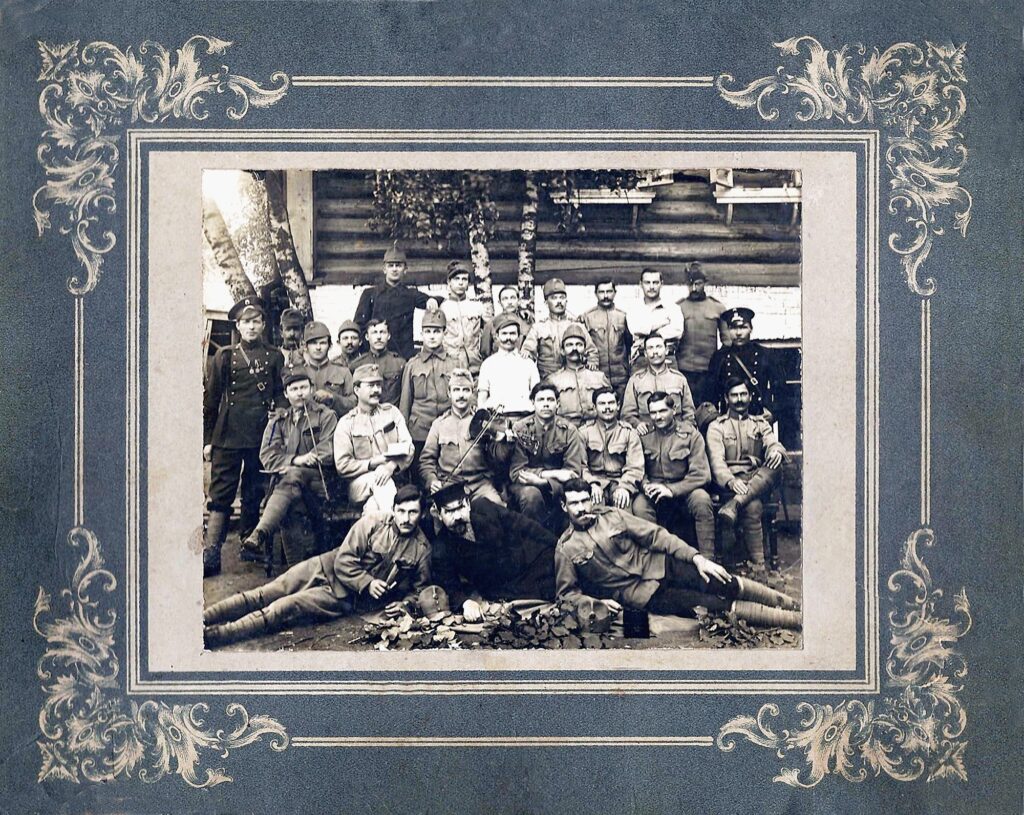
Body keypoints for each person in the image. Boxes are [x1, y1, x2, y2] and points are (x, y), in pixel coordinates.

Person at [203, 485, 433, 647]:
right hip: (324, 565)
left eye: (413, 512)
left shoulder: (422, 549)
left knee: (282, 607)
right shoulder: (373, 523)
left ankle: (216, 636)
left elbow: (420, 590)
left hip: (343, 596)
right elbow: (344, 559)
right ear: (394, 509)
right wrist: (368, 582)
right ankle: (204, 617)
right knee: (266, 593)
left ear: (421, 513)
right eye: (401, 511)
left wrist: (404, 604)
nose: (406, 518)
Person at [554, 478, 800, 628]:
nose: (581, 508)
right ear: (564, 507)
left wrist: (697, 558)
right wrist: (596, 603)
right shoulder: (566, 548)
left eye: (585, 501)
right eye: (574, 503)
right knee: (715, 606)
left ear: (591, 500)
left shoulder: (613, 516)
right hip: (643, 595)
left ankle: (793, 605)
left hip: (661, 565)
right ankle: (795, 621)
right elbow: (566, 595)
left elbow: (657, 535)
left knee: (723, 581)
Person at [202, 296, 286, 577]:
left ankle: (248, 545)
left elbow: (280, 394)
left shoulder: (274, 357)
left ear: (263, 325)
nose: (251, 326)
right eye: (246, 322)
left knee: (253, 490)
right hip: (227, 435)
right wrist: (208, 440)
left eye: (256, 321)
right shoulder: (224, 356)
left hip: (260, 436)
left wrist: (280, 412)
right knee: (221, 493)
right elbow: (211, 401)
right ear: (238, 325)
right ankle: (211, 552)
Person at [237, 369, 339, 564]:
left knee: (291, 480)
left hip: (319, 484)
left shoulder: (326, 416)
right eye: (294, 389)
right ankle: (296, 568)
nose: (300, 393)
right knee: (291, 501)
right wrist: (296, 460)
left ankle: (261, 532)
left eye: (304, 388)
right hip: (290, 487)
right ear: (286, 394)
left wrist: (305, 460)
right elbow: (267, 455)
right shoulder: (279, 421)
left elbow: (329, 449)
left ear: (311, 389)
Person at [430, 482, 558, 619]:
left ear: (468, 505)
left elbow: (526, 526)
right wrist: (466, 603)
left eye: (460, 507)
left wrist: (559, 545)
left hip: (527, 563)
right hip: (504, 588)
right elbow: (450, 586)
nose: (457, 517)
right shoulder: (441, 548)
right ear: (439, 514)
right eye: (449, 511)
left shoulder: (485, 508)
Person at [706, 377, 787, 569]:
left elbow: (772, 442)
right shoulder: (717, 426)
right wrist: (731, 481)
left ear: (750, 397)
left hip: (756, 478)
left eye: (743, 394)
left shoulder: (760, 424)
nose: (739, 399)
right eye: (734, 395)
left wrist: (775, 451)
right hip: (731, 482)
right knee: (753, 505)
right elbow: (716, 462)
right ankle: (759, 565)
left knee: (777, 464)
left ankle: (735, 504)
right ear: (726, 398)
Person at [633, 391, 716, 558]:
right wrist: (645, 485)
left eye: (662, 411)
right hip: (654, 490)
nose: (658, 417)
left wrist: (672, 490)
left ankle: (708, 559)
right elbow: (636, 468)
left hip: (685, 490)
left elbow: (701, 474)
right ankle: (654, 562)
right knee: (639, 506)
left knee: (702, 500)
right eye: (653, 413)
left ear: (674, 409)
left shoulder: (690, 434)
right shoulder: (643, 436)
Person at [333, 364, 415, 513]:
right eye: (371, 386)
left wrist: (391, 467)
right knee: (380, 482)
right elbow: (343, 465)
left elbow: (408, 447)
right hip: (359, 484)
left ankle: (385, 524)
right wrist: (373, 463)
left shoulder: (392, 413)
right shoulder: (346, 423)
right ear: (356, 390)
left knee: (373, 507)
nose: (376, 390)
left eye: (378, 385)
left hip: (394, 479)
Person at [420, 369, 504, 504]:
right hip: (450, 485)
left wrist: (504, 440)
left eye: (466, 390)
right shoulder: (439, 424)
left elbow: (497, 456)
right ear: (449, 393)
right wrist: (432, 480)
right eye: (456, 390)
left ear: (472, 393)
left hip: (480, 484)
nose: (461, 395)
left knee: (497, 506)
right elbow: (426, 460)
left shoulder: (484, 422)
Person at [508, 381, 586, 525]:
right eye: (541, 400)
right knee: (531, 495)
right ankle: (534, 538)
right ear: (533, 403)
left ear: (558, 404)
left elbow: (573, 473)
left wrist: (543, 482)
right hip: (525, 485)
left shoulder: (569, 431)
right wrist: (552, 474)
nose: (546, 404)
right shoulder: (520, 429)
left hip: (558, 487)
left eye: (550, 400)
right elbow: (517, 472)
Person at [354, 243, 441, 359]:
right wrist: (367, 352)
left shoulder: (411, 294)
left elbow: (437, 300)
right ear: (384, 269)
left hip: (403, 356)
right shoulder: (370, 294)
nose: (394, 269)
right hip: (376, 356)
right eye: (391, 265)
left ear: (405, 269)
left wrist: (431, 300)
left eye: (398, 265)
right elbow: (359, 326)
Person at [399, 308, 460, 459]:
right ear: (421, 334)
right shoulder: (412, 365)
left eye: (436, 331)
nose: (432, 336)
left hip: (448, 430)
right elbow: (405, 403)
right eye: (428, 331)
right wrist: (403, 436)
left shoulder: (455, 363)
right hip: (419, 432)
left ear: (445, 333)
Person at [578, 386, 644, 512]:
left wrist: (624, 487)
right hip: (595, 483)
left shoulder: (629, 432)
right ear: (594, 407)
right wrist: (591, 484)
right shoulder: (584, 432)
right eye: (602, 404)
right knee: (594, 511)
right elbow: (580, 466)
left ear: (618, 406)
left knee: (624, 510)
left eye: (611, 403)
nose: (607, 407)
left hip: (620, 482)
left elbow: (635, 467)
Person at [707, 307, 781, 418]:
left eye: (743, 327)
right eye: (733, 328)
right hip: (729, 420)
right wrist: (715, 418)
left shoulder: (765, 355)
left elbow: (781, 390)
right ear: (728, 330)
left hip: (758, 418)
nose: (738, 333)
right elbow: (710, 395)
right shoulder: (719, 357)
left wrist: (772, 412)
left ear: (751, 328)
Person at [521, 277, 599, 379]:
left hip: (573, 378)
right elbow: (527, 352)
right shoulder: (538, 328)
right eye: (554, 298)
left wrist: (592, 364)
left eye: (562, 297)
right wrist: (527, 354)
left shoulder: (577, 325)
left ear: (566, 301)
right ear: (546, 303)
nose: (559, 301)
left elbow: (592, 352)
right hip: (547, 379)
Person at [675, 263, 728, 405]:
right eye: (690, 284)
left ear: (705, 283)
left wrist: (719, 367)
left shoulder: (717, 307)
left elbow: (727, 341)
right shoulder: (678, 307)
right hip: (684, 370)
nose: (694, 289)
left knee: (709, 410)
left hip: (709, 371)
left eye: (698, 284)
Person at [622, 333, 697, 432]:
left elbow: (689, 414)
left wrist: (684, 428)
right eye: (650, 348)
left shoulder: (679, 379)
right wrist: (637, 424)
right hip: (647, 434)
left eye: (658, 347)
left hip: (675, 434)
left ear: (666, 350)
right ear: (645, 353)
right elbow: (627, 415)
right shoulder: (635, 381)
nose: (655, 352)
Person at [547, 323, 611, 426]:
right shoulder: (553, 380)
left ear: (585, 349)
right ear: (562, 351)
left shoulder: (599, 378)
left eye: (579, 344)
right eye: (569, 345)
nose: (574, 349)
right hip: (566, 430)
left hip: (595, 429)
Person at [477, 313, 540, 417]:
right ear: (497, 336)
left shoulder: (528, 363)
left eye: (512, 333)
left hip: (524, 418)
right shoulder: (488, 364)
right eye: (504, 334)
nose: (508, 338)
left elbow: (537, 395)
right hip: (497, 419)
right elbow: (482, 398)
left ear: (518, 336)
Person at [580, 279, 631, 400]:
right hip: (597, 376)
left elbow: (629, 344)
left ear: (615, 293)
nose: (605, 296)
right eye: (601, 292)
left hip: (621, 376)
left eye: (609, 291)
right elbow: (583, 345)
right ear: (595, 294)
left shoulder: (623, 316)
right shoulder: (587, 317)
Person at [625, 267, 686, 367]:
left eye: (655, 282)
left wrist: (647, 333)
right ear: (640, 284)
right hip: (641, 358)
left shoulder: (673, 307)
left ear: (661, 284)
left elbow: (678, 331)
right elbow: (635, 329)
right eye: (647, 283)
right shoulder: (633, 308)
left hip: (667, 358)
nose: (651, 287)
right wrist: (662, 323)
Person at [439, 260, 491, 373]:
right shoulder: (442, 308)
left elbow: (490, 331)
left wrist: (483, 353)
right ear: (449, 282)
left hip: (476, 364)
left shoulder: (477, 306)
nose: (461, 283)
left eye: (464, 279)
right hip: (451, 365)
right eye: (456, 279)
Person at [301, 321, 356, 417]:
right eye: (314, 343)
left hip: (336, 422)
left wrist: (332, 397)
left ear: (330, 346)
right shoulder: (300, 372)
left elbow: (354, 403)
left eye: (323, 343)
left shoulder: (343, 372)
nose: (318, 347)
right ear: (305, 347)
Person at [351, 319, 406, 408]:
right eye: (374, 332)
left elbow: (405, 397)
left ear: (388, 336)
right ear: (367, 337)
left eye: (382, 332)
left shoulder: (399, 364)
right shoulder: (357, 365)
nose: (379, 337)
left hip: (390, 413)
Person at [480, 285, 529, 357]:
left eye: (513, 298)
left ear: (518, 301)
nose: (509, 302)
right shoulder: (491, 324)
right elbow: (485, 351)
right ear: (499, 302)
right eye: (505, 299)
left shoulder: (525, 323)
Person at [279, 307, 307, 375]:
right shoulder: (276, 355)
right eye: (288, 329)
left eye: (296, 329)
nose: (292, 334)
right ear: (281, 332)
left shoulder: (308, 355)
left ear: (302, 331)